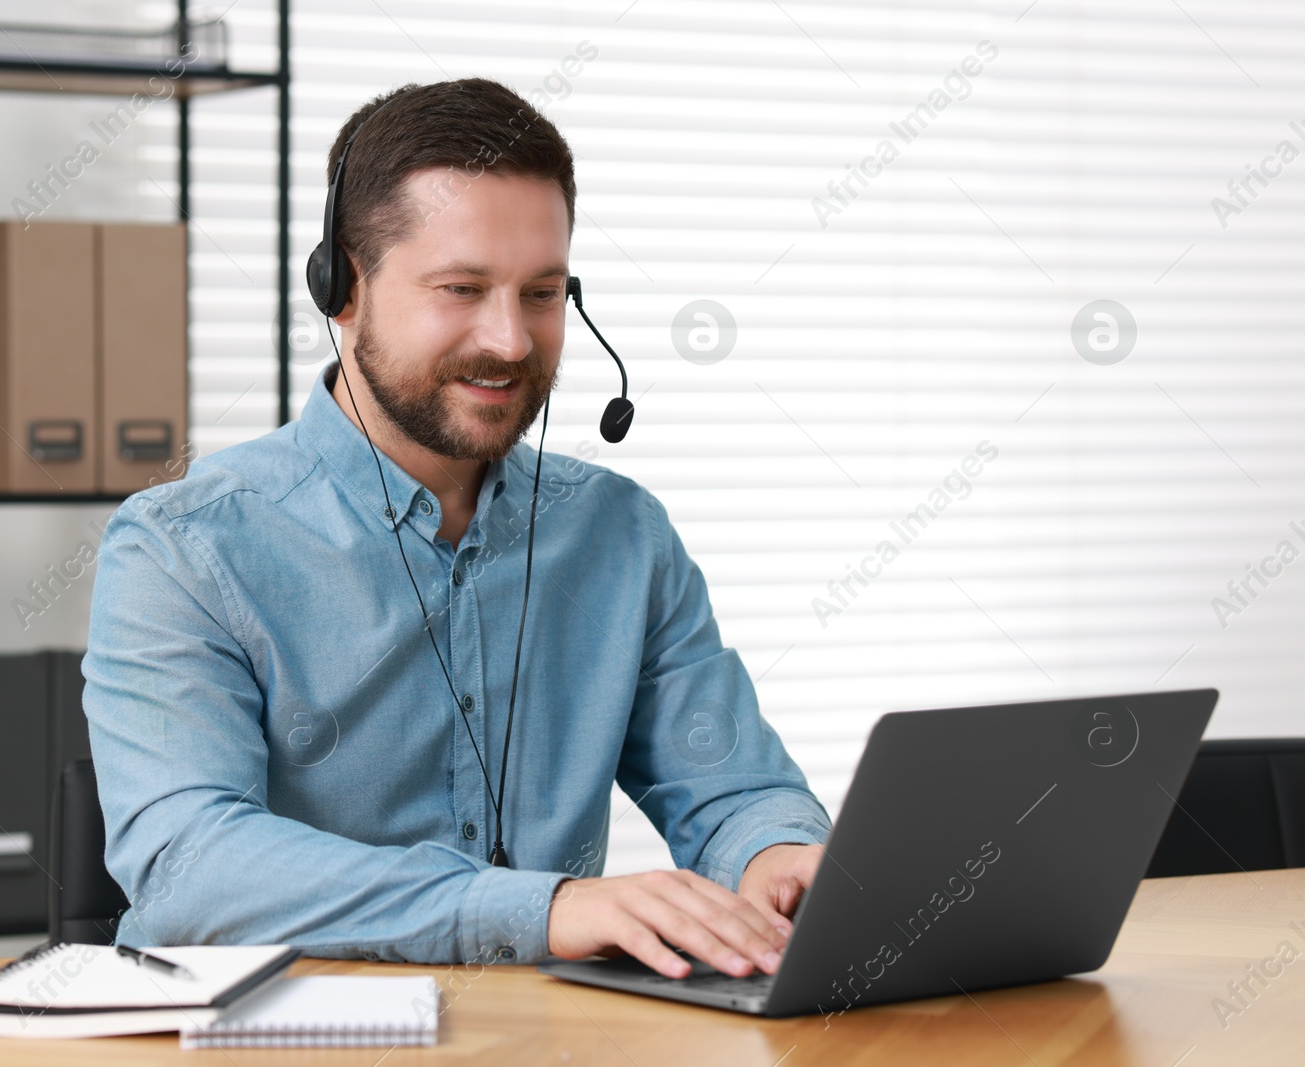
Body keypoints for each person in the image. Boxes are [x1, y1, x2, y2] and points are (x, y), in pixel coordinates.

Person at [82, 76, 830, 982]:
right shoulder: (183, 547)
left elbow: (734, 786)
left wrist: (777, 857)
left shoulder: (619, 536)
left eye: (544, 292)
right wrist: (540, 909)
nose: (511, 340)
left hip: (547, 1041)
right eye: (463, 288)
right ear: (342, 289)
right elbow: (189, 865)